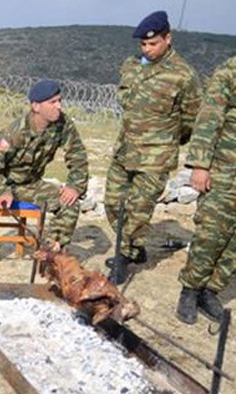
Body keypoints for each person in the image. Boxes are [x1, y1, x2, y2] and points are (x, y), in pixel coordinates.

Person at [0, 79, 89, 282]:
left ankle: (50, 256)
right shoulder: (14, 132)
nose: (59, 106)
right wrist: (2, 191)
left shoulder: (63, 125)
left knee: (69, 203)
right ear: (36, 106)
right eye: (53, 102)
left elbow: (78, 156)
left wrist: (74, 186)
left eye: (59, 101)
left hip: (30, 184)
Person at [104, 11, 201, 285]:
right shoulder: (131, 65)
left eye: (153, 43)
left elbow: (192, 118)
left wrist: (170, 140)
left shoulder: (183, 74)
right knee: (112, 203)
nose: (147, 48)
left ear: (167, 39)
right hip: (125, 150)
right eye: (143, 44)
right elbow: (125, 98)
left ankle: (123, 259)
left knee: (137, 210)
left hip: (156, 157)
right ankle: (135, 248)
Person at [176, 56, 236, 325]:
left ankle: (210, 291)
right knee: (211, 234)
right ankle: (190, 290)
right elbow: (209, 120)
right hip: (224, 172)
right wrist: (200, 165)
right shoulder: (229, 74)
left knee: (233, 243)